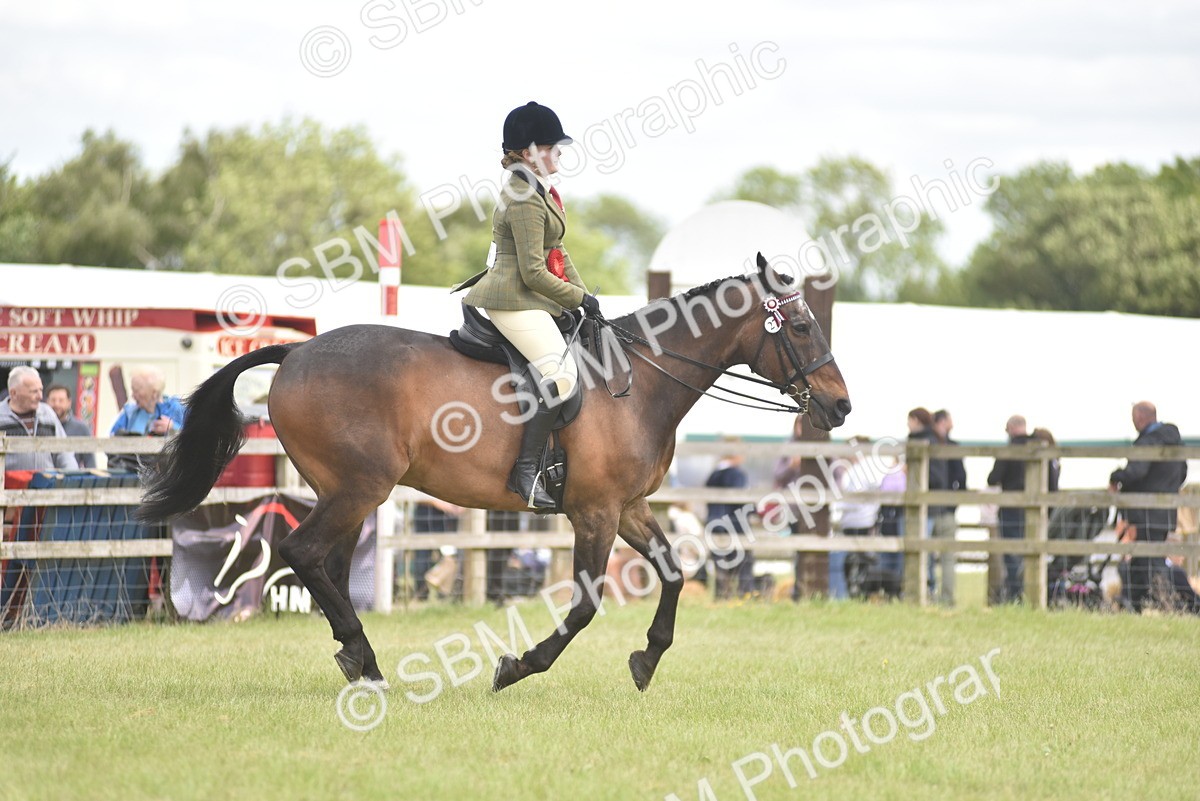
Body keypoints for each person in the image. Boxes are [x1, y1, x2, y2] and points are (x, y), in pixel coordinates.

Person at [459, 101, 600, 511]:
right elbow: (534, 272)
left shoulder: (540, 191)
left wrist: (584, 291)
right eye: (552, 147)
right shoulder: (522, 196)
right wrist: (577, 299)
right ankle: (525, 472)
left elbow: (557, 249)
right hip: (511, 298)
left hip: (529, 295)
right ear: (528, 152)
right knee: (562, 376)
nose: (559, 153)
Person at [1108, 401, 1188, 612]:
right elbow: (1183, 474)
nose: (1133, 421)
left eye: (1134, 417)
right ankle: (1135, 605)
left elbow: (1137, 472)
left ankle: (1181, 603)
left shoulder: (1147, 442)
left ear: (1141, 417)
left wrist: (1116, 476)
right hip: (1165, 513)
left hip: (1144, 512)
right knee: (1145, 559)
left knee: (1148, 561)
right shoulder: (1175, 443)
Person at [986, 415, 1033, 602]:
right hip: (1032, 510)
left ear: (1012, 428)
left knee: (1012, 554)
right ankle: (1030, 594)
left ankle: (1016, 595)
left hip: (1011, 508)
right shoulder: (1036, 447)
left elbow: (993, 478)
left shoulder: (1009, 450)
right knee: (1030, 551)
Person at [830, 436, 882, 600]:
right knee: (860, 561)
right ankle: (858, 593)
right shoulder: (869, 470)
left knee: (855, 561)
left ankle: (855, 593)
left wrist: (835, 507)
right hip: (864, 520)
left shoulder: (857, 471)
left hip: (856, 521)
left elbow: (854, 501)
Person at [108, 365, 187, 472]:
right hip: (132, 476)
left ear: (154, 393)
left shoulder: (175, 409)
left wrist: (173, 428)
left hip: (168, 477)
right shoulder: (130, 413)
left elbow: (194, 439)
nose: (133, 396)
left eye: (137, 391)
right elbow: (111, 439)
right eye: (132, 390)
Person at [0, 367, 78, 472]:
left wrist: (71, 477)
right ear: (13, 393)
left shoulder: (47, 413)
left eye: (41, 390)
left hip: (46, 486)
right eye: (34, 391)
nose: (40, 396)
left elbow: (63, 452)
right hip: (8, 487)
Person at [705, 452, 755, 600]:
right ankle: (745, 594)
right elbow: (740, 499)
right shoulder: (736, 474)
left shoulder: (713, 475)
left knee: (720, 564)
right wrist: (755, 509)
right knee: (744, 562)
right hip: (735, 524)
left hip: (714, 524)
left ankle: (721, 596)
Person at [932, 409, 966, 604]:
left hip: (929, 509)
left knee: (926, 556)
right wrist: (954, 501)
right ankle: (946, 599)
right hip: (946, 510)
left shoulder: (929, 444)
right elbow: (961, 478)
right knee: (947, 558)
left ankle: (928, 595)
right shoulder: (954, 447)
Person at [45, 384, 96, 469]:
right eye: (53, 400)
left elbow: (90, 463)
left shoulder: (81, 428)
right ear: (47, 402)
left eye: (61, 400)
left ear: (69, 403)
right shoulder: (39, 426)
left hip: (71, 479)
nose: (57, 404)